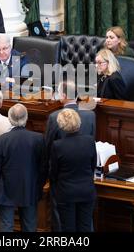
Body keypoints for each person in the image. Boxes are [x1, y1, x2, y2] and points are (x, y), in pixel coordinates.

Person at [44, 80, 96, 231]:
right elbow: (93, 157)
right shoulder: (91, 116)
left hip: (63, 184)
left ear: (64, 95)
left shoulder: (54, 117)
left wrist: (49, 177)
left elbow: (48, 149)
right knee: (85, 224)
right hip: (86, 183)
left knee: (64, 224)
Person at [0, 104, 44, 232]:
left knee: (6, 226)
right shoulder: (38, 139)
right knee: (29, 226)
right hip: (29, 188)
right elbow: (43, 166)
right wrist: (38, 185)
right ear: (26, 117)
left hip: (5, 189)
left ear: (9, 118)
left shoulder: (1, 140)